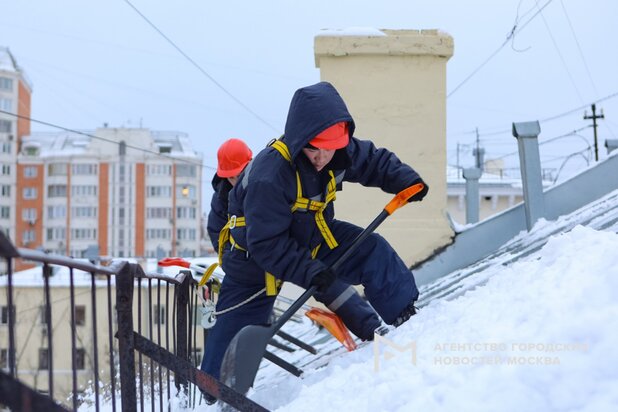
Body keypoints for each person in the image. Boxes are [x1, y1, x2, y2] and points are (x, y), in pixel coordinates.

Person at [200, 82, 428, 391]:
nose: (321, 157)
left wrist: (405, 179)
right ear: (298, 141)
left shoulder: (339, 153)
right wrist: (310, 271)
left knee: (369, 250)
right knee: (235, 328)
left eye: (328, 148)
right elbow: (267, 244)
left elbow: (373, 161)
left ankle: (403, 318)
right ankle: (214, 394)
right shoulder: (271, 174)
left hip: (312, 236)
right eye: (313, 148)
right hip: (252, 255)